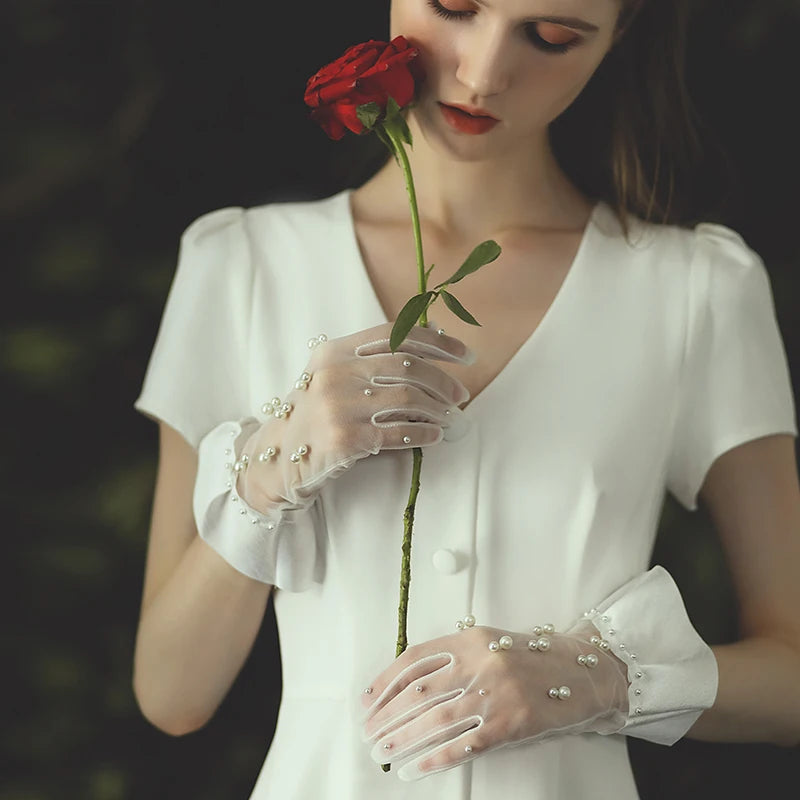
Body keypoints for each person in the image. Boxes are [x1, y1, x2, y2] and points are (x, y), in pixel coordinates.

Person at [131, 0, 800, 798]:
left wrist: (595, 678)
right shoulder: (242, 266)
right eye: (454, 7)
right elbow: (170, 694)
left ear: (619, 35)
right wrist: (280, 460)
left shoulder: (697, 291)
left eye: (551, 36)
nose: (484, 73)